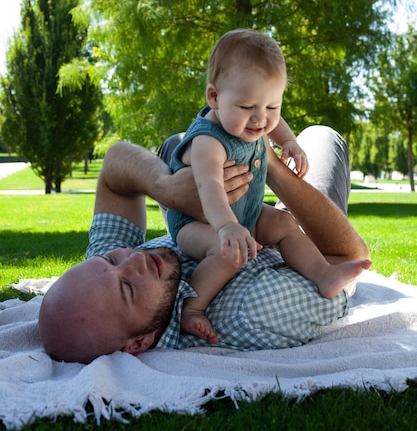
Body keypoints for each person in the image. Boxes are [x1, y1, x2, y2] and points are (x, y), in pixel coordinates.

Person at [38, 125, 371, 364]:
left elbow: (115, 164)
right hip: (300, 234)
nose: (133, 261)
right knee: (322, 137)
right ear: (138, 344)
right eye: (128, 288)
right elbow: (346, 258)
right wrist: (267, 164)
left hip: (226, 216)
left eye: (111, 260)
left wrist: (166, 187)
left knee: (178, 145)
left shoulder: (104, 278)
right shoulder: (249, 313)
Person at [166, 29, 371, 342]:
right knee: (227, 254)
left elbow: (273, 121)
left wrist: (289, 141)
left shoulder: (254, 118)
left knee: (283, 222)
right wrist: (225, 228)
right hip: (200, 222)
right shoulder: (208, 141)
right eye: (248, 107)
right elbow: (208, 187)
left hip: (244, 212)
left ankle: (323, 273)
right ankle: (192, 308)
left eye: (272, 106)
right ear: (214, 97)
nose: (260, 119)